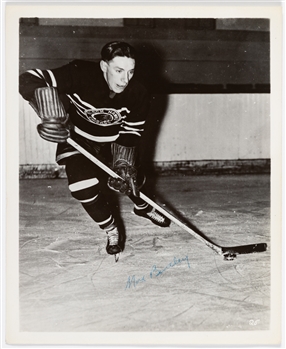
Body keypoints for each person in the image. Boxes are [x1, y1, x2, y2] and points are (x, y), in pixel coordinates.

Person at [19, 41, 170, 258]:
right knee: (82, 186)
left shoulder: (138, 91)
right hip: (78, 140)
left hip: (113, 143)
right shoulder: (79, 73)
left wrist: (123, 164)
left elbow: (131, 132)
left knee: (130, 181)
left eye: (130, 71)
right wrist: (47, 108)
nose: (125, 79)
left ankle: (143, 207)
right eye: (118, 71)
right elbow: (28, 78)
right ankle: (111, 229)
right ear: (103, 66)